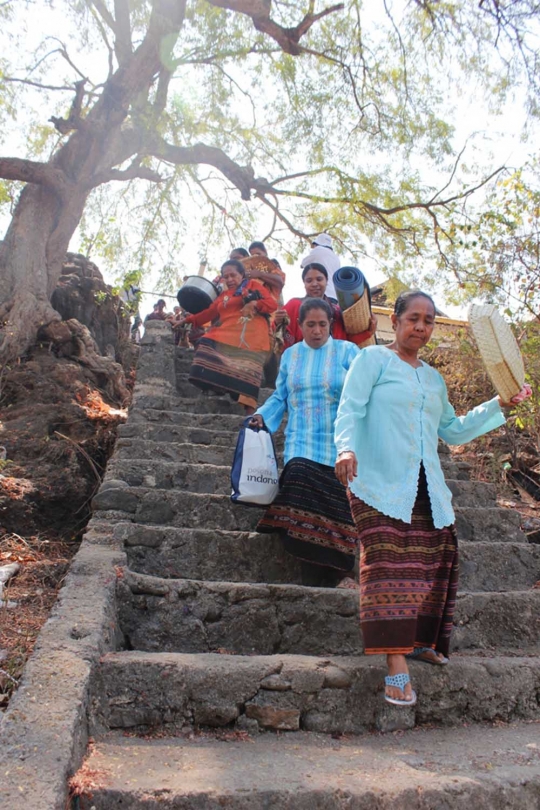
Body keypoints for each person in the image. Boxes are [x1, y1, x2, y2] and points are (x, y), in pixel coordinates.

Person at [334, 290, 532, 708]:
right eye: (414, 319)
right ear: (397, 321)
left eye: (429, 321)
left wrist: (498, 404)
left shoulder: (433, 378)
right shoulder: (372, 360)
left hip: (425, 487)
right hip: (375, 480)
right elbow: (349, 408)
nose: (421, 327)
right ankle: (395, 663)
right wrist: (346, 448)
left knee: (433, 561)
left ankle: (420, 640)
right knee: (387, 562)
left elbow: (454, 431)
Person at [250, 298, 361, 585]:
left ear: (330, 325)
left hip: (340, 444)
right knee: (297, 474)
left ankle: (335, 572)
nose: (316, 330)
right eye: (310, 325)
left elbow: (363, 394)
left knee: (340, 504)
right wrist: (263, 416)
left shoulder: (348, 352)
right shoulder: (291, 356)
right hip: (301, 440)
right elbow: (280, 396)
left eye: (322, 324)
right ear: (300, 326)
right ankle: (310, 565)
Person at [178, 259, 277, 414]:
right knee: (206, 342)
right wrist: (187, 320)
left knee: (247, 374)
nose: (230, 279)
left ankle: (250, 418)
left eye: (233, 275)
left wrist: (255, 304)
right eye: (226, 277)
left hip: (250, 333)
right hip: (227, 332)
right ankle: (218, 386)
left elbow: (272, 304)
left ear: (242, 274)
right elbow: (209, 312)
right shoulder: (223, 295)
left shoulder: (253, 286)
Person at [275, 263, 377, 350]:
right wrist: (277, 323)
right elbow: (277, 338)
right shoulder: (294, 305)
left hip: (332, 366)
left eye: (319, 279)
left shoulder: (336, 310)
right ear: (304, 283)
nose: (314, 284)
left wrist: (368, 332)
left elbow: (345, 341)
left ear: (327, 281)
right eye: (309, 280)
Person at [300, 233, 341, 301]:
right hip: (334, 296)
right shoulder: (336, 258)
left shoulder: (318, 250)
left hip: (321, 294)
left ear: (317, 243)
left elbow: (302, 264)